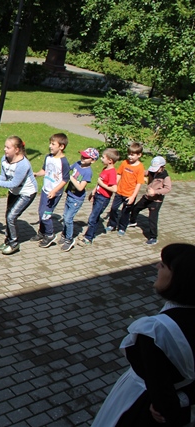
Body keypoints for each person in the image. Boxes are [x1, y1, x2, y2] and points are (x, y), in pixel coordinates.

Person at [92, 243, 195, 426]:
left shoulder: (155, 331)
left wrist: (168, 404)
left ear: (178, 278)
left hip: (138, 403)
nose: (157, 266)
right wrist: (184, 398)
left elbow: (161, 393)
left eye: (163, 265)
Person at [0, 136, 38, 255]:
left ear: (16, 150)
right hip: (14, 191)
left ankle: (14, 243)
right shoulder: (4, 159)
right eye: (5, 146)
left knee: (11, 217)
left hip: (27, 192)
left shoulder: (23, 164)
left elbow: (14, 183)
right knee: (8, 215)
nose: (5, 149)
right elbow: (3, 177)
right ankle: (8, 240)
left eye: (8, 147)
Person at [31, 133, 70, 248]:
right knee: (41, 212)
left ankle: (49, 235)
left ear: (61, 146)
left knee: (46, 215)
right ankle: (42, 232)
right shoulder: (48, 157)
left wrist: (54, 191)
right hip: (45, 190)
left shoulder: (63, 162)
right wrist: (37, 174)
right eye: (50, 143)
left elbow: (65, 179)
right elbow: (44, 170)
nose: (50, 146)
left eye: (53, 144)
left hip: (54, 193)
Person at [58, 147, 98, 251]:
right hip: (70, 195)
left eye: (86, 157)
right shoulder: (77, 163)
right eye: (82, 155)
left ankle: (69, 240)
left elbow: (80, 187)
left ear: (93, 161)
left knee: (68, 219)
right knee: (65, 216)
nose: (83, 158)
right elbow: (67, 169)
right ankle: (64, 234)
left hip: (77, 199)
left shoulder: (88, 172)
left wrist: (70, 177)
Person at [129, 156, 172, 246]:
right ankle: (132, 221)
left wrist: (155, 192)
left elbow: (168, 189)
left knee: (152, 219)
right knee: (135, 208)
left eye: (157, 169)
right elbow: (143, 173)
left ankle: (153, 237)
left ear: (162, 167)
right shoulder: (151, 172)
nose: (154, 171)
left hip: (156, 201)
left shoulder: (165, 177)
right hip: (147, 197)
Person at [106, 142, 145, 236]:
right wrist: (114, 185)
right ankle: (112, 224)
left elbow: (139, 183)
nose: (130, 157)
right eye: (129, 154)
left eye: (132, 155)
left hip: (129, 194)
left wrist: (133, 197)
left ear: (139, 155)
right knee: (114, 208)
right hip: (119, 191)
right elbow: (119, 174)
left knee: (125, 212)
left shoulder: (140, 167)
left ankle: (122, 227)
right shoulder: (124, 163)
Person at [82, 148, 120, 245]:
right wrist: (94, 192)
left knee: (92, 218)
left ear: (110, 160)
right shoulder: (105, 169)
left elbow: (114, 189)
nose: (101, 159)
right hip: (98, 196)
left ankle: (88, 237)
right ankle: (89, 234)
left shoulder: (112, 172)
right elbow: (99, 182)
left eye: (103, 157)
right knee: (95, 216)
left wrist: (102, 184)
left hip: (103, 199)